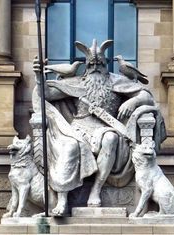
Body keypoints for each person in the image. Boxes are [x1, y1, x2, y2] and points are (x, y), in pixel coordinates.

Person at [32, 39, 166, 216]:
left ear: (105, 64)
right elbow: (45, 94)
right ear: (86, 66)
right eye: (92, 64)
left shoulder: (117, 82)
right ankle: (62, 199)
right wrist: (39, 77)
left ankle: (96, 189)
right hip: (78, 128)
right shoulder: (77, 83)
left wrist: (134, 101)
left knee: (111, 138)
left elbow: (146, 96)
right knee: (70, 146)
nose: (95, 67)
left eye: (99, 63)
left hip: (106, 128)